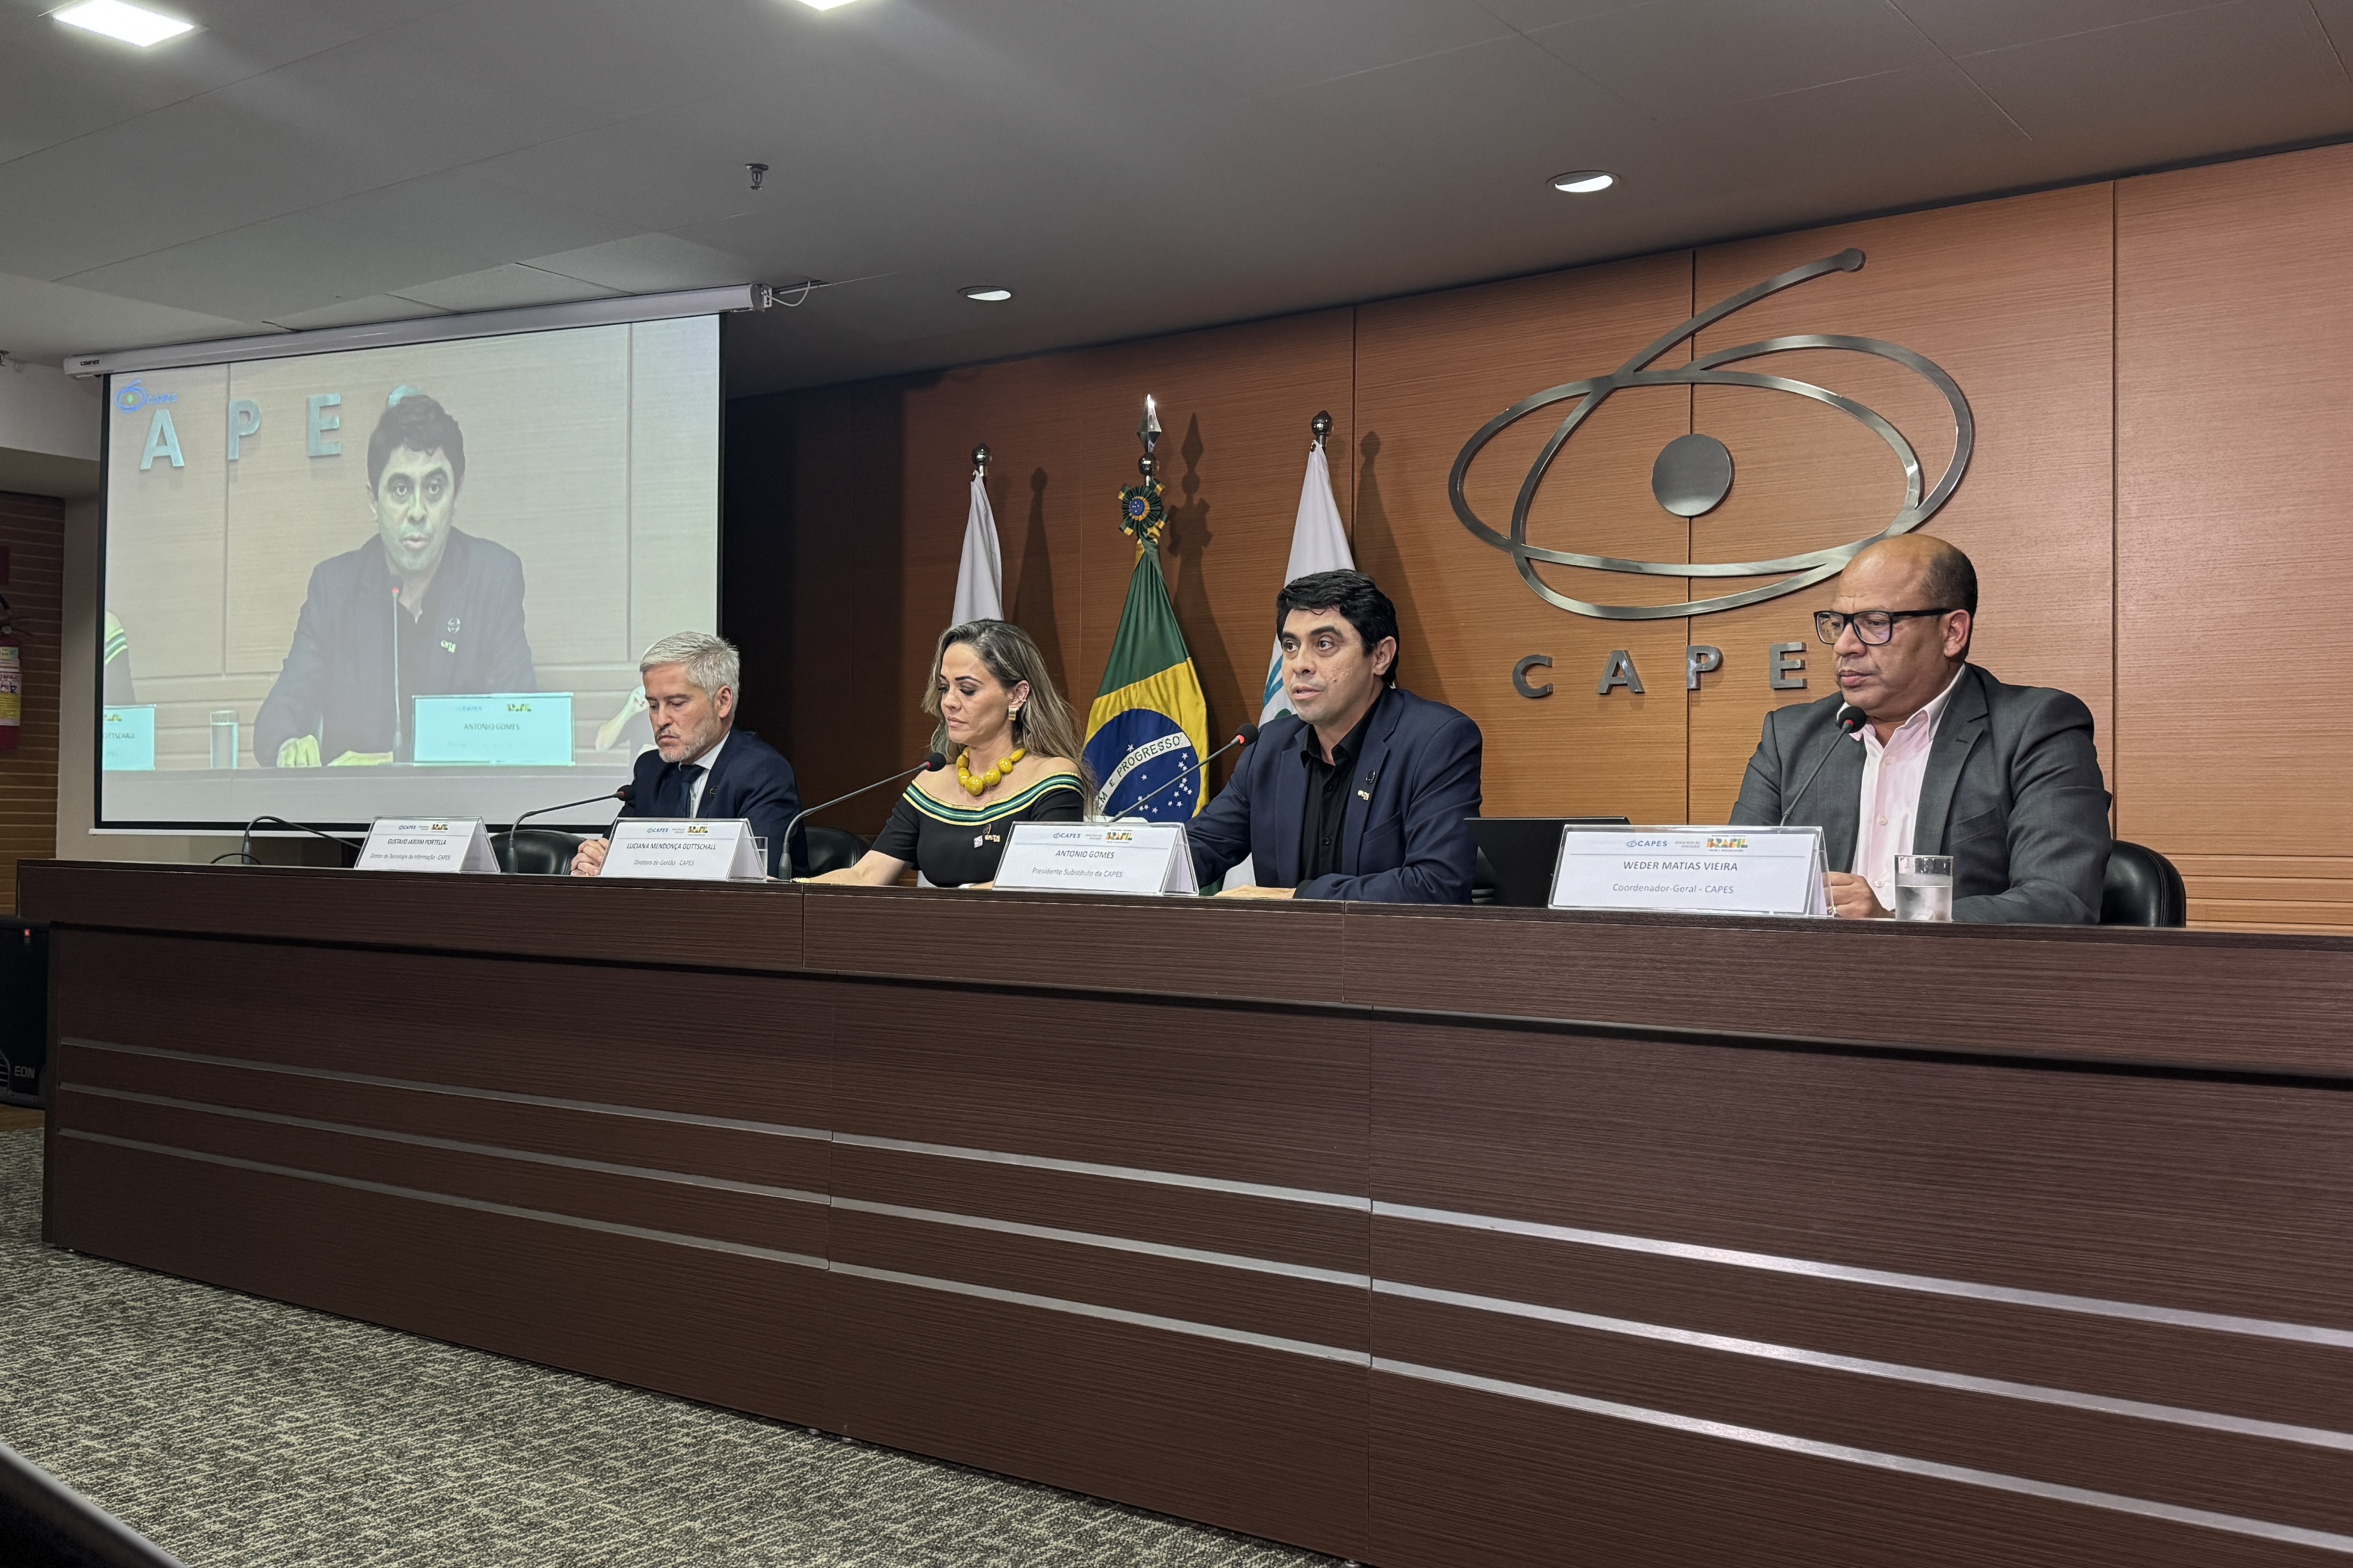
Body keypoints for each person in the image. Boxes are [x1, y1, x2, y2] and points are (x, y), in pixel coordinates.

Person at [1729, 535, 2111, 923]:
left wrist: (1892, 922)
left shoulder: (2035, 729)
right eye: (1838, 623)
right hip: (1809, 962)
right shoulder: (1792, 737)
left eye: (1875, 623)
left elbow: (2059, 899)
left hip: (1959, 964)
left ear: (1952, 633)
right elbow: (1736, 885)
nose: (1845, 645)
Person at [255, 390, 534, 766]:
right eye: (401, 489)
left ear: (456, 494)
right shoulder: (334, 589)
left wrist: (397, 763)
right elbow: (278, 713)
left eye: (434, 488)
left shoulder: (493, 579)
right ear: (374, 501)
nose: (417, 511)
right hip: (354, 805)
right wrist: (288, 745)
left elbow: (517, 724)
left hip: (461, 802)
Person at [1189, 570, 1482, 902]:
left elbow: (1438, 884)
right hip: (1285, 939)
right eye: (1290, 646)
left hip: (1389, 939)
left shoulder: (1436, 741)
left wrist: (1296, 898)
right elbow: (1201, 848)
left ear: (1380, 657)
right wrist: (1141, 860)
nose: (1300, 665)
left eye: (1324, 644)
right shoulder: (1269, 747)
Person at [813, 620, 1088, 888]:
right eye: (945, 688)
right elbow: (866, 876)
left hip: (1005, 920)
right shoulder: (931, 782)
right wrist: (791, 888)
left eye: (967, 690)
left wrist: (946, 907)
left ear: (1017, 695)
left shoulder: (1052, 777)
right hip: (940, 919)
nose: (948, 702)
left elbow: (1039, 877)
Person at [571, 633, 804, 879]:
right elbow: (610, 855)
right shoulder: (651, 770)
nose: (661, 720)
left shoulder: (761, 772)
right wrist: (594, 863)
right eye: (653, 706)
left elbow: (756, 879)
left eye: (677, 703)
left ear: (723, 702)